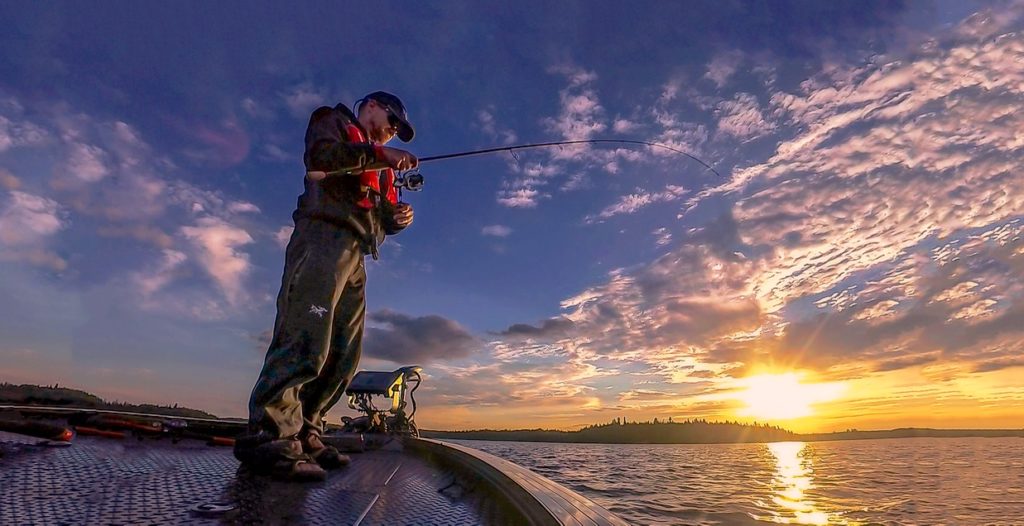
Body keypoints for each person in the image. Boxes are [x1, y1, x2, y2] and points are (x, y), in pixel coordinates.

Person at [234, 91, 418, 481]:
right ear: (371, 106)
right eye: (392, 122)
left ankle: (307, 430)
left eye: (397, 131)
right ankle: (270, 439)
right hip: (322, 241)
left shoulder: (381, 164)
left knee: (343, 354)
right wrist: (376, 155)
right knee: (306, 337)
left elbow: (380, 216)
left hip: (356, 255)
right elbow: (322, 159)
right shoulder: (330, 122)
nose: (391, 133)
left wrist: (397, 217)